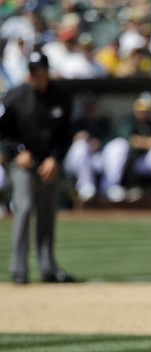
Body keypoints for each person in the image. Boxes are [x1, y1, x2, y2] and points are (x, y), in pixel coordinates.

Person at [0, 51, 76, 284]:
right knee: (24, 207)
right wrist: (17, 152)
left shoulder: (61, 97)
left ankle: (48, 267)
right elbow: (2, 132)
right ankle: (19, 269)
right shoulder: (15, 97)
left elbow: (66, 134)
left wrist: (55, 157)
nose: (34, 76)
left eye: (38, 72)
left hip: (48, 163)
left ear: (46, 73)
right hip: (23, 162)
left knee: (46, 214)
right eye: (31, 71)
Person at [101, 92, 151, 203]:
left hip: (137, 162)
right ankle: (110, 187)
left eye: (146, 109)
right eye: (141, 107)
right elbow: (132, 141)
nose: (143, 112)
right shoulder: (127, 121)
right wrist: (150, 142)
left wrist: (145, 142)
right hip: (109, 161)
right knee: (120, 146)